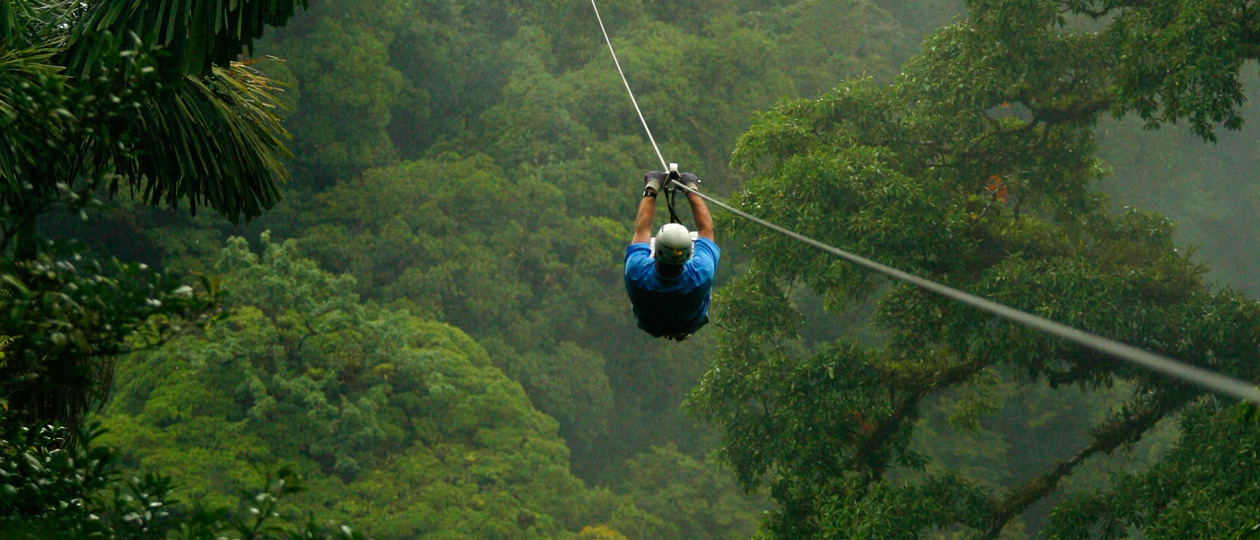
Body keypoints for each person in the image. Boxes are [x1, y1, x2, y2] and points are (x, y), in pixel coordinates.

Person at [624, 170, 719, 341]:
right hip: (690, 321)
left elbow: (642, 229)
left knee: (643, 243)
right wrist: (691, 189)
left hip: (651, 323)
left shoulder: (636, 273)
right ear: (687, 256)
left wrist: (652, 186)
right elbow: (706, 229)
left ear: (657, 254)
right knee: (700, 240)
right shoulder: (700, 274)